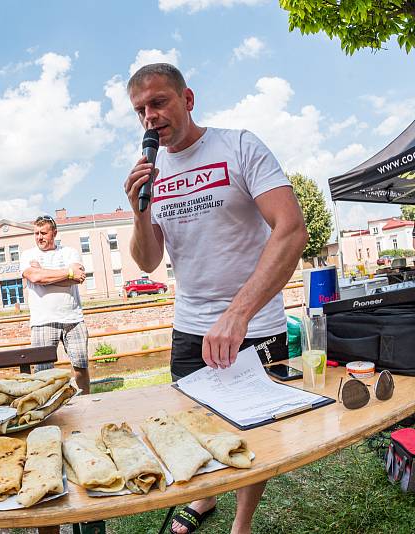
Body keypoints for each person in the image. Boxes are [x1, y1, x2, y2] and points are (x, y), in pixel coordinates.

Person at [124, 63, 307, 534]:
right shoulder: (153, 170)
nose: (150, 116)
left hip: (254, 322)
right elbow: (147, 262)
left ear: (187, 99)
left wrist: (238, 314)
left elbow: (290, 230)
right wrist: (140, 214)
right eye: (140, 109)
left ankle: (240, 523)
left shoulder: (239, 145)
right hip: (190, 323)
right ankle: (204, 499)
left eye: (159, 102)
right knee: (192, 424)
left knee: (252, 429)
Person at [20, 215, 91, 394]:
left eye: (43, 233)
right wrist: (67, 273)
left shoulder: (69, 252)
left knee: (80, 367)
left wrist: (44, 275)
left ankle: (87, 401)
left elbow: (78, 278)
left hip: (73, 319)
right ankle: (47, 407)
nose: (39, 237)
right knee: (43, 372)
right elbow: (35, 277)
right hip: (42, 321)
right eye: (36, 233)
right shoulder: (28, 255)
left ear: (54, 233)